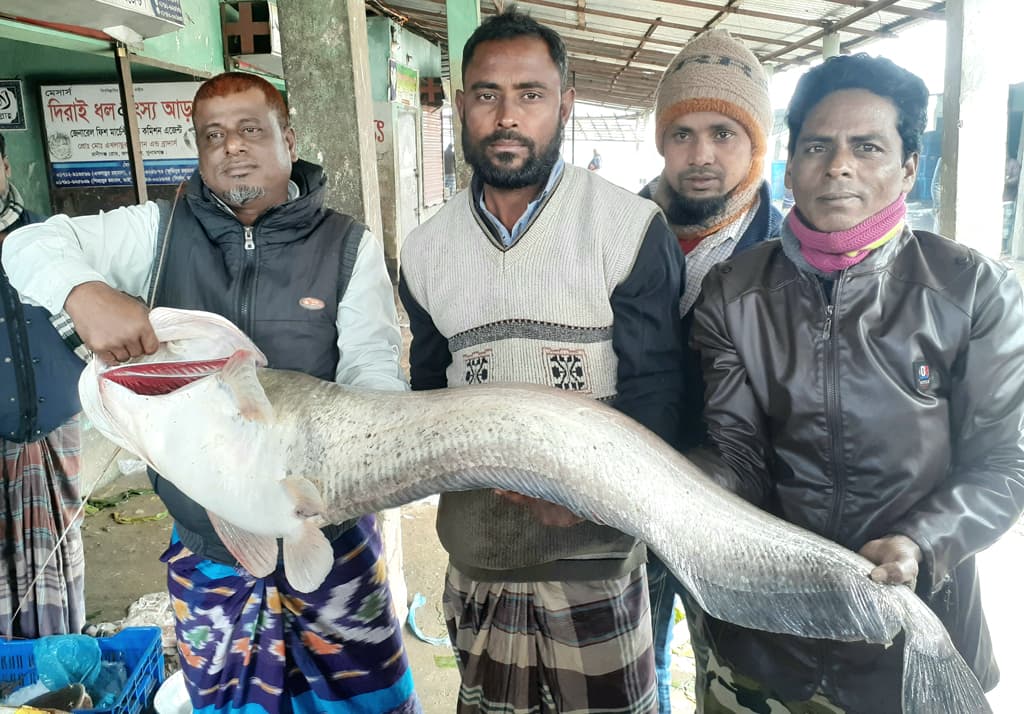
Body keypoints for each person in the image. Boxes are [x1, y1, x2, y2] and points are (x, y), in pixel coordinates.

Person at [3, 73, 420, 714]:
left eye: (251, 129)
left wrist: (354, 467)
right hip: (208, 548)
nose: (232, 148)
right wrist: (83, 293)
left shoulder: (347, 246)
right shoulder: (156, 232)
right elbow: (27, 243)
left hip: (331, 535)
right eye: (213, 136)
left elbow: (373, 375)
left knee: (364, 701)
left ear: (289, 138)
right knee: (230, 704)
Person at [691, 53, 1024, 712]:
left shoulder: (972, 290)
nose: (838, 165)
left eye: (866, 147)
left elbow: (1003, 465)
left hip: (911, 641)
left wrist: (921, 544)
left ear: (907, 167)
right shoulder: (734, 292)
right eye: (818, 145)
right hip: (767, 633)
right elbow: (736, 455)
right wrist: (675, 490)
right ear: (791, 164)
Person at [399, 9, 685, 714]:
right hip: (479, 560)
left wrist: (588, 496)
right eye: (486, 94)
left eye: (530, 94)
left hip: (594, 564)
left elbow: (658, 393)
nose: (506, 116)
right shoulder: (427, 249)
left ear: (564, 105)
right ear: (461, 103)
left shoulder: (627, 230)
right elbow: (431, 395)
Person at [636, 29, 782, 713]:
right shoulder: (616, 234)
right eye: (683, 134)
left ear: (757, 145)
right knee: (640, 653)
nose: (701, 156)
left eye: (725, 133)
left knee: (733, 668)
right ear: (661, 142)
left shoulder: (791, 258)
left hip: (741, 505)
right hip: (632, 490)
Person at [0, 133, 86, 639]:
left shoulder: (54, 239)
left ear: (7, 167)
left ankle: (59, 649)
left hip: (57, 426)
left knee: (59, 551)